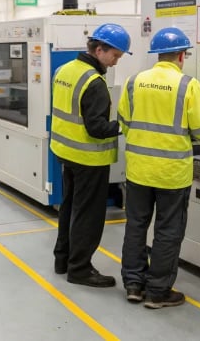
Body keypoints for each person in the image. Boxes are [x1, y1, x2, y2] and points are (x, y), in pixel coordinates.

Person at [118, 27, 200, 309]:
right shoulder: (188, 85)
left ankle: (133, 285)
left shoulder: (134, 81)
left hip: (139, 170)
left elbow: (125, 123)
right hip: (172, 174)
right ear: (181, 56)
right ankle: (159, 291)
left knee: (136, 226)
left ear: (157, 54)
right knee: (168, 230)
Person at [50, 23, 132, 288]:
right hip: (89, 159)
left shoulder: (64, 70)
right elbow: (97, 129)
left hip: (65, 152)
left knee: (70, 207)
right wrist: (124, 125)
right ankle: (80, 269)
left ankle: (62, 260)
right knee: (89, 216)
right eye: (115, 56)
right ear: (99, 50)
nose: (116, 62)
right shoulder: (94, 83)